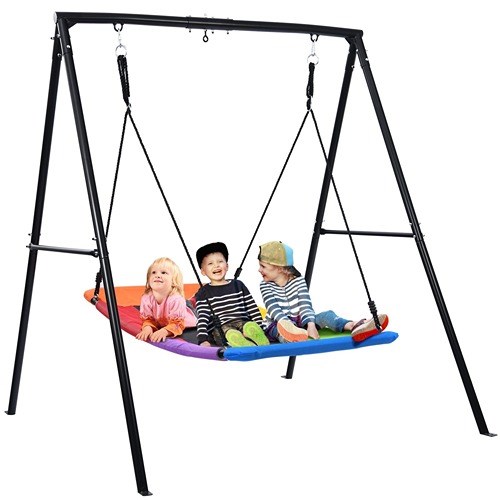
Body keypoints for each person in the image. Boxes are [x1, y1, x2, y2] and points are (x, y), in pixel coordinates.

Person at [257, 240, 389, 343]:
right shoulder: (265, 285)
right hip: (278, 323)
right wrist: (290, 327)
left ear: (280, 268)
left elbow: (305, 305)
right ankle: (289, 338)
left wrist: (311, 325)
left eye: (263, 266)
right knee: (277, 329)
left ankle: (354, 326)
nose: (259, 270)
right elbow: (274, 310)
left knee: (326, 315)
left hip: (300, 322)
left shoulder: (298, 281)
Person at [194, 242, 269, 348]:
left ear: (227, 266)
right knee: (228, 333)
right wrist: (202, 339)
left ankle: (255, 337)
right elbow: (202, 318)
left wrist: (261, 328)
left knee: (249, 326)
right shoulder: (203, 293)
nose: (216, 265)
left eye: (220, 261)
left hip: (243, 323)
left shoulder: (238, 285)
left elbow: (252, 308)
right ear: (203, 271)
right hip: (222, 328)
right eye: (210, 263)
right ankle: (239, 341)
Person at [137, 257, 197, 343]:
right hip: (170, 316)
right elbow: (148, 319)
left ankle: (195, 298)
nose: (157, 275)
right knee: (189, 302)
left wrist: (165, 331)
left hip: (188, 315)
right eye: (153, 272)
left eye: (163, 272)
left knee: (197, 306)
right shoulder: (146, 298)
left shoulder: (176, 299)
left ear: (173, 281)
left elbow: (177, 324)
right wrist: (147, 327)